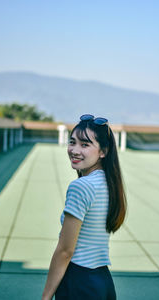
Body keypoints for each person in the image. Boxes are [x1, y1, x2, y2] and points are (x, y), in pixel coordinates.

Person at [42, 114, 127, 300]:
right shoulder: (110, 183)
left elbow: (65, 251)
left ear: (103, 151)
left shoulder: (81, 186)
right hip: (103, 282)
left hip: (78, 282)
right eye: (72, 142)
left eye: (85, 145)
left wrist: (46, 296)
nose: (74, 150)